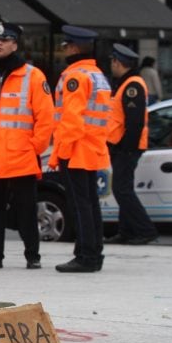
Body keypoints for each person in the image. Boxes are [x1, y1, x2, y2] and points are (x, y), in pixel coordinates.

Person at [0, 22, 55, 269]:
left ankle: (32, 255)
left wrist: (35, 147)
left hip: (21, 156)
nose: (0, 43)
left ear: (15, 44)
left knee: (26, 209)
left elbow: (46, 116)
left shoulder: (33, 76)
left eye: (6, 40)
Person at [49, 25, 112, 273]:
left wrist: (59, 153)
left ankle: (85, 255)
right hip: (94, 148)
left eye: (66, 46)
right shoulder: (98, 75)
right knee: (90, 204)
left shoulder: (75, 76)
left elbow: (71, 121)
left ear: (73, 47)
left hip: (76, 150)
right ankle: (94, 253)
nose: (64, 51)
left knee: (80, 205)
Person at [105, 43, 158, 245]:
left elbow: (134, 122)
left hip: (127, 147)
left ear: (118, 62)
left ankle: (146, 230)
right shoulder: (125, 83)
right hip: (122, 146)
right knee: (123, 188)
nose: (111, 64)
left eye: (112, 61)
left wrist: (126, 148)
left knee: (122, 189)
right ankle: (126, 231)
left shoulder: (132, 85)